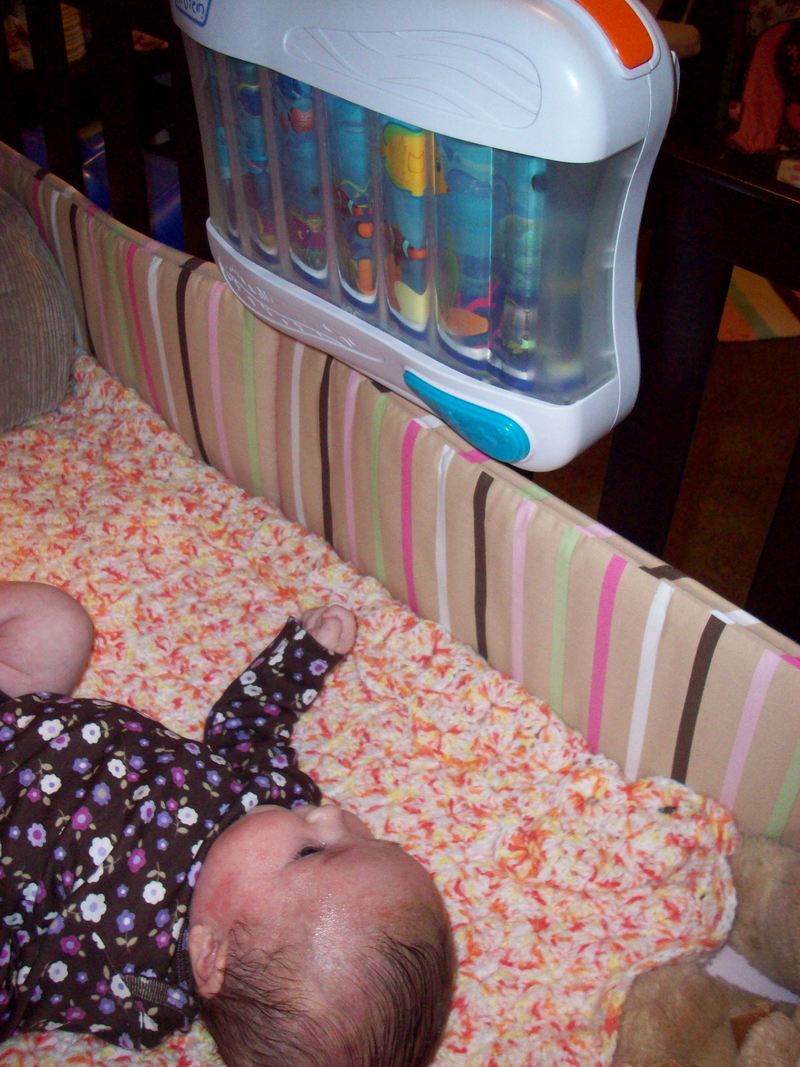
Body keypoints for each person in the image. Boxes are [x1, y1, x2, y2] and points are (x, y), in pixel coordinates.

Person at [0, 581, 455, 1066]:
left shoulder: (128, 980)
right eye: (366, 838)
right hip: (16, 707)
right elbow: (250, 727)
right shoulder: (273, 803)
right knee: (57, 625)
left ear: (210, 955)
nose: (332, 815)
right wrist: (302, 659)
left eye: (311, 853)